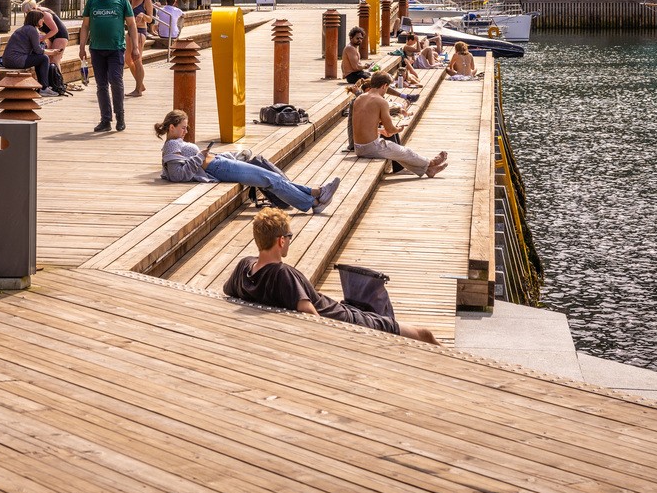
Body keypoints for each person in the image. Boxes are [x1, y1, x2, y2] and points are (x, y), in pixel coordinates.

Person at [223, 208, 438, 344]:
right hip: (346, 318)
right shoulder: (282, 274)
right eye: (289, 236)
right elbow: (312, 317)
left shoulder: (245, 267)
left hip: (340, 309)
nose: (289, 240)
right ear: (281, 241)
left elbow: (227, 290)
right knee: (424, 335)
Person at [155, 111, 337, 213]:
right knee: (270, 179)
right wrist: (199, 156)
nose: (186, 131)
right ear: (172, 127)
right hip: (219, 168)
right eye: (183, 128)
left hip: (220, 163)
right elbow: (177, 175)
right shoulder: (172, 145)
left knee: (271, 177)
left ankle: (316, 193)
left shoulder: (175, 143)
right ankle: (313, 202)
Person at [350, 73, 448, 178]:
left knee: (397, 152)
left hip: (358, 146)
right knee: (406, 152)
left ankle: (429, 170)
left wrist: (380, 131)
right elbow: (390, 129)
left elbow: (363, 124)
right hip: (371, 147)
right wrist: (398, 129)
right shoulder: (381, 101)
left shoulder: (360, 98)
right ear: (384, 85)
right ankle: (431, 163)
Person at [78, 0, 137, 132]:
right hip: (96, 49)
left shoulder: (121, 1)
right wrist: (82, 47)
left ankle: (120, 116)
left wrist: (135, 47)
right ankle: (105, 119)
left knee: (116, 81)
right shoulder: (92, 1)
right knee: (101, 85)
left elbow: (132, 25)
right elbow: (85, 26)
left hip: (116, 49)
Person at [1, 10, 57, 95]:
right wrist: (52, 53)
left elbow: (35, 50)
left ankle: (41, 87)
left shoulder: (23, 29)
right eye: (41, 19)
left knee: (39, 58)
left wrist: (50, 51)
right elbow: (38, 50)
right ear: (36, 19)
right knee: (44, 58)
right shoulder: (32, 30)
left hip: (7, 61)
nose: (43, 21)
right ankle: (44, 88)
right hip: (17, 60)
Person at [125, 0, 156, 96]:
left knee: (137, 60)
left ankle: (138, 90)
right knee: (128, 60)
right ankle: (140, 84)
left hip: (140, 31)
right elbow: (120, 3)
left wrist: (143, 15)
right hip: (130, 31)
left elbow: (150, 19)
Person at [20, 0, 69, 66]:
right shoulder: (35, 15)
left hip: (60, 35)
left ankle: (56, 73)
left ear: (33, 8)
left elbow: (55, 30)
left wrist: (43, 38)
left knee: (54, 60)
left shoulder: (44, 14)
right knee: (48, 58)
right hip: (50, 35)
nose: (27, 15)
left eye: (28, 12)